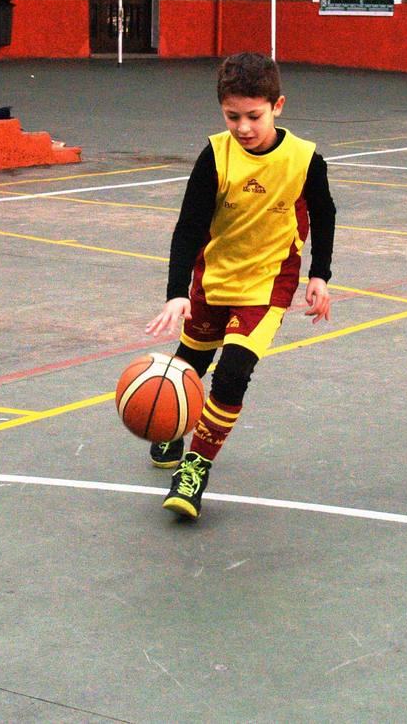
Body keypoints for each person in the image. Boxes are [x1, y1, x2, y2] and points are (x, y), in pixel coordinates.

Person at [144, 52, 336, 519]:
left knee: (233, 372)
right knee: (192, 363)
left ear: (278, 106)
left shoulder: (305, 159)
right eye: (233, 116)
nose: (244, 127)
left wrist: (320, 275)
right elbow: (188, 228)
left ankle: (195, 468)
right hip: (213, 279)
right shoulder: (216, 154)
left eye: (254, 115)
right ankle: (172, 419)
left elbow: (326, 215)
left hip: (269, 284)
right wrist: (175, 292)